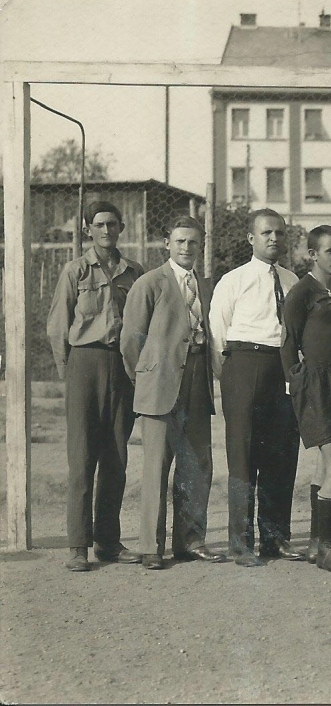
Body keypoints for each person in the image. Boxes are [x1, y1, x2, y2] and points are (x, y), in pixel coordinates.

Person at [121, 216, 225, 570]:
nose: (186, 248)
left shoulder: (205, 286)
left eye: (193, 242)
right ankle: (151, 546)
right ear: (167, 244)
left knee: (197, 464)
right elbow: (131, 341)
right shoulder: (150, 283)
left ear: (201, 245)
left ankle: (190, 541)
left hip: (197, 381)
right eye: (180, 241)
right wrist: (146, 377)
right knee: (156, 467)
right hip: (159, 384)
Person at [47, 200, 145, 571]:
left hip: (121, 366)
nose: (106, 230)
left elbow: (142, 324)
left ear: (121, 228)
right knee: (82, 457)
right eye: (99, 224)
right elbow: (58, 327)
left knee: (116, 457)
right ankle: (77, 546)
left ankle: (108, 541)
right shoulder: (75, 270)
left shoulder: (134, 272)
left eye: (112, 224)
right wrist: (69, 373)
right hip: (84, 364)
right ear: (88, 229)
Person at [209, 208, 302, 567]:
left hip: (282, 367)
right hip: (245, 365)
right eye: (266, 233)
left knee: (281, 456)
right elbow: (218, 332)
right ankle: (241, 543)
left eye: (279, 232)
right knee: (243, 456)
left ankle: (275, 538)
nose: (274, 238)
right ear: (251, 238)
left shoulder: (292, 281)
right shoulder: (234, 280)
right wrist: (232, 378)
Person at [281, 225, 331, 573]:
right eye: (330, 251)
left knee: (324, 465)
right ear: (312, 254)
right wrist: (297, 383)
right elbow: (288, 344)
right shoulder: (301, 292)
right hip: (314, 387)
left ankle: (317, 543)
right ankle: (328, 546)